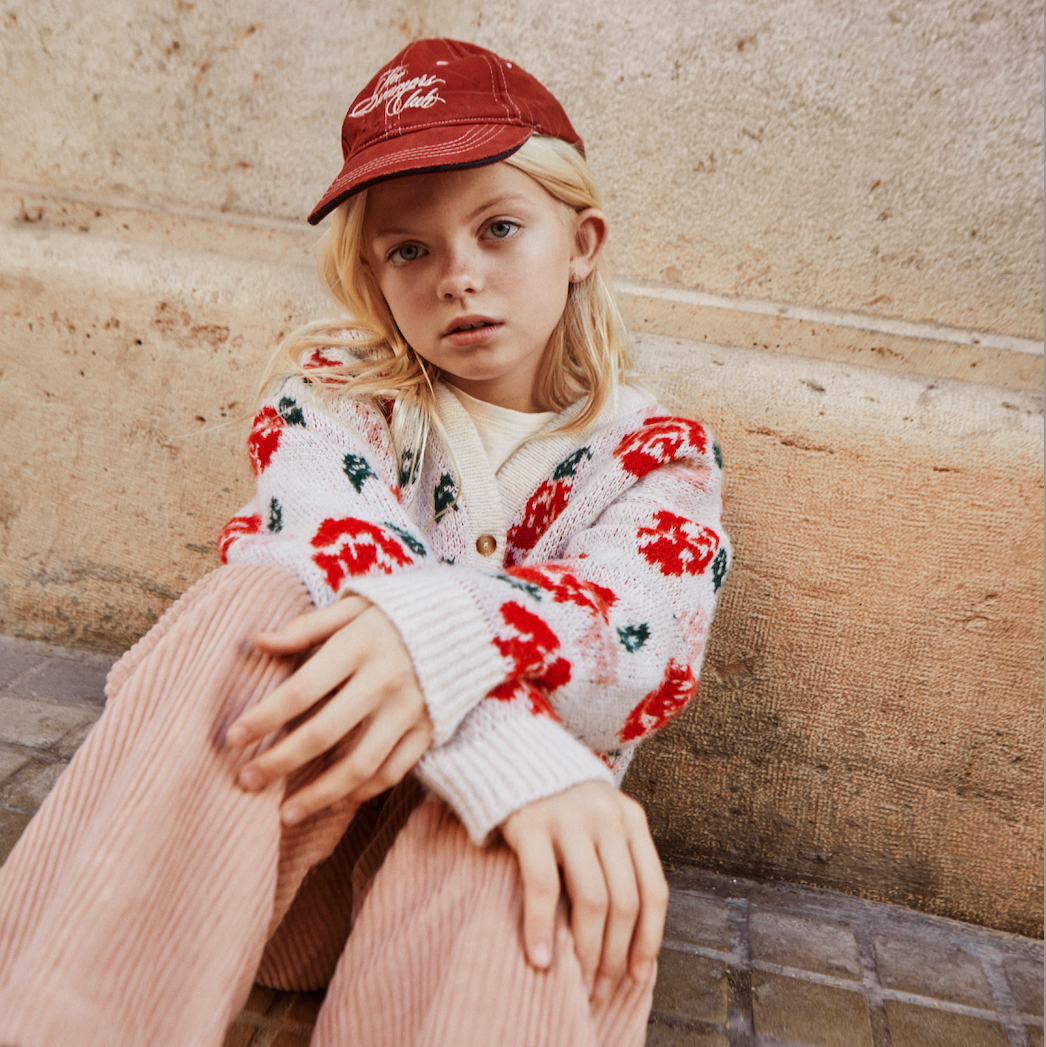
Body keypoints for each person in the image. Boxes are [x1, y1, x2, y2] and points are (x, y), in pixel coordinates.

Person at [0, 38, 730, 1047]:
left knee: (553, 819)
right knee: (258, 600)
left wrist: (474, 710)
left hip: (467, 897)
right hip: (268, 870)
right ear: (373, 278)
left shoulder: (656, 459)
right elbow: (316, 537)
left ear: (582, 241)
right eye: (407, 250)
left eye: (499, 227)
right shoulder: (334, 392)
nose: (457, 277)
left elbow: (641, 643)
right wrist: (509, 749)